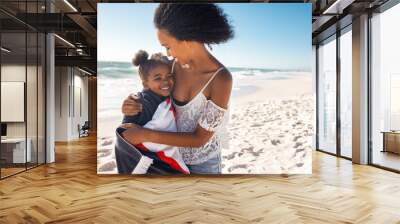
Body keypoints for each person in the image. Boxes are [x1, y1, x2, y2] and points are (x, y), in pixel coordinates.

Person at [121, 3, 234, 174]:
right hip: (171, 157)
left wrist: (145, 134)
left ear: (187, 39)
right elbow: (150, 91)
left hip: (204, 163)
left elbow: (200, 139)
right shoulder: (170, 68)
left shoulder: (221, 79)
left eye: (167, 46)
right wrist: (131, 104)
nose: (167, 54)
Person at [115, 50, 189, 174]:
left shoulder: (168, 96)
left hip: (163, 158)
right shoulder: (141, 102)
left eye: (169, 76)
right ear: (145, 84)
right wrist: (129, 109)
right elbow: (126, 131)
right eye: (157, 78)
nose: (165, 81)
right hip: (151, 162)